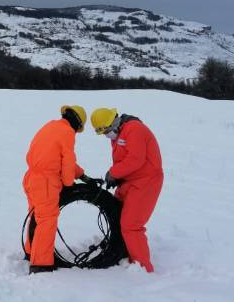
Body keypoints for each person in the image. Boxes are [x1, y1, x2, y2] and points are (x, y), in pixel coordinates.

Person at [22, 105, 95, 274]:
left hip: (31, 177)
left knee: (36, 216)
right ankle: (41, 264)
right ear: (77, 124)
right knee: (47, 220)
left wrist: (83, 176)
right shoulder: (68, 132)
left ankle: (31, 253)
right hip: (46, 182)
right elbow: (68, 160)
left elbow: (57, 157)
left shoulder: (50, 126)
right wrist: (69, 185)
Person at [90, 108, 163, 273]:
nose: (106, 135)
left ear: (114, 122)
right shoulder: (118, 134)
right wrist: (118, 178)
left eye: (107, 131)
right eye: (103, 133)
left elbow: (135, 159)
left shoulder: (135, 129)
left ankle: (142, 267)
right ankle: (122, 253)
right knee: (116, 214)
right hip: (129, 180)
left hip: (146, 181)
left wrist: (114, 173)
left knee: (131, 224)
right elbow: (124, 159)